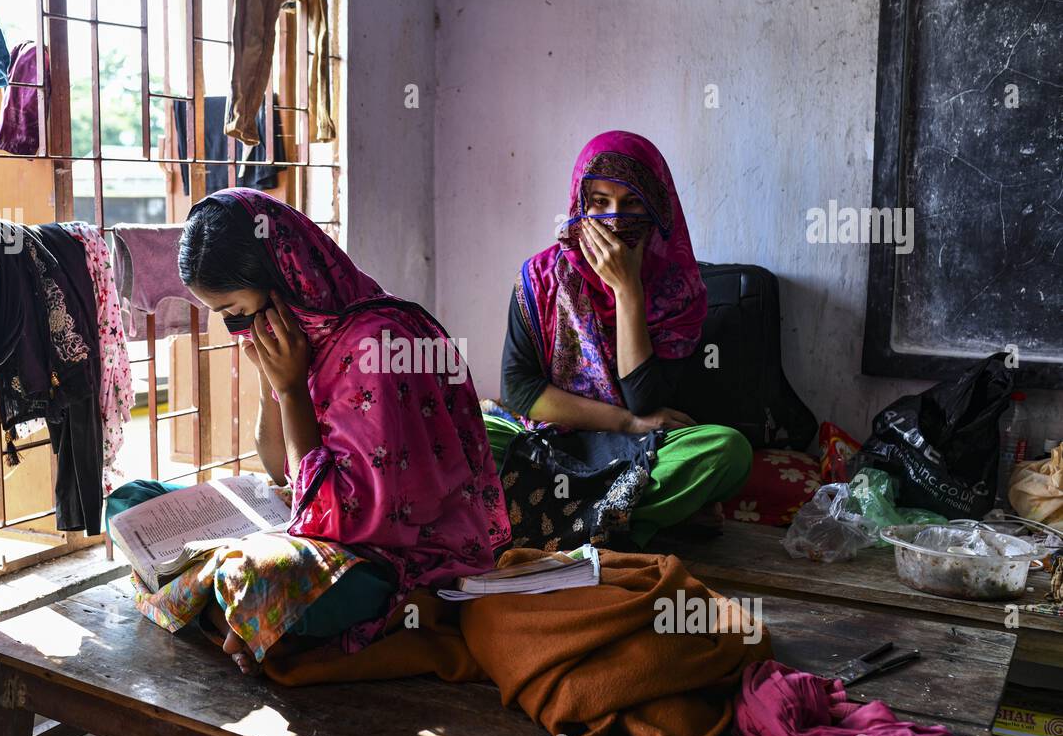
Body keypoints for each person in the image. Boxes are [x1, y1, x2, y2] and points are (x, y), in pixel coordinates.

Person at [126, 188, 509, 674]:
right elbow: (279, 468)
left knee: (259, 577)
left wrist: (292, 391)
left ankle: (225, 603)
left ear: (286, 277)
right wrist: (275, 385)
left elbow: (339, 519)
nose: (239, 330)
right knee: (134, 500)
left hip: (393, 562)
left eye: (239, 313)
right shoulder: (303, 336)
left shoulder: (378, 345)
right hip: (312, 524)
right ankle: (231, 609)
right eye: (226, 319)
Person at [495, 130, 751, 549]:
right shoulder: (540, 279)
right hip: (555, 442)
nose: (615, 220)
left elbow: (645, 401)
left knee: (729, 451)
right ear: (580, 206)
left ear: (657, 209)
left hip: (641, 451)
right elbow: (519, 391)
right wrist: (626, 422)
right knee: (474, 434)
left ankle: (560, 516)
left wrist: (627, 291)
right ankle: (629, 519)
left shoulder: (677, 292)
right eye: (600, 202)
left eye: (632, 203)